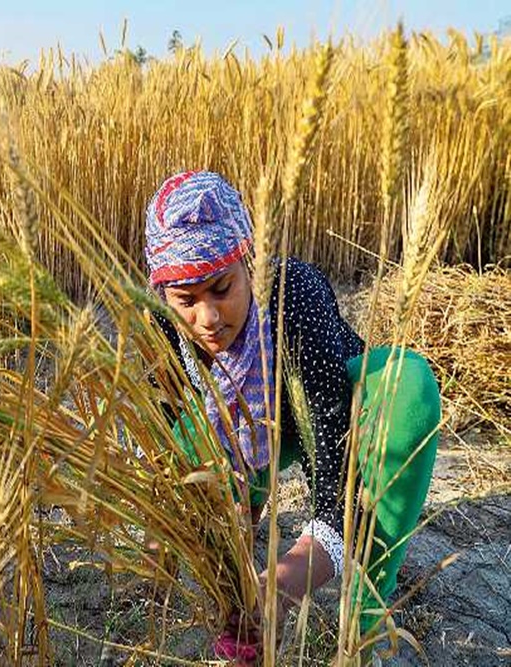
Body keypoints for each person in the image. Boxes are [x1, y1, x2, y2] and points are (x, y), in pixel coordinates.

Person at [143, 170, 440, 664]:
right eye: (187, 301)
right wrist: (170, 536)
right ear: (164, 296)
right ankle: (246, 500)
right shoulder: (163, 329)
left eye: (222, 288)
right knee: (185, 434)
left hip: (334, 415)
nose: (209, 319)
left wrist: (290, 576)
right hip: (248, 436)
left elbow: (334, 460)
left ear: (248, 263)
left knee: (409, 388)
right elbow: (170, 436)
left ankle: (367, 599)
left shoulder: (293, 294)